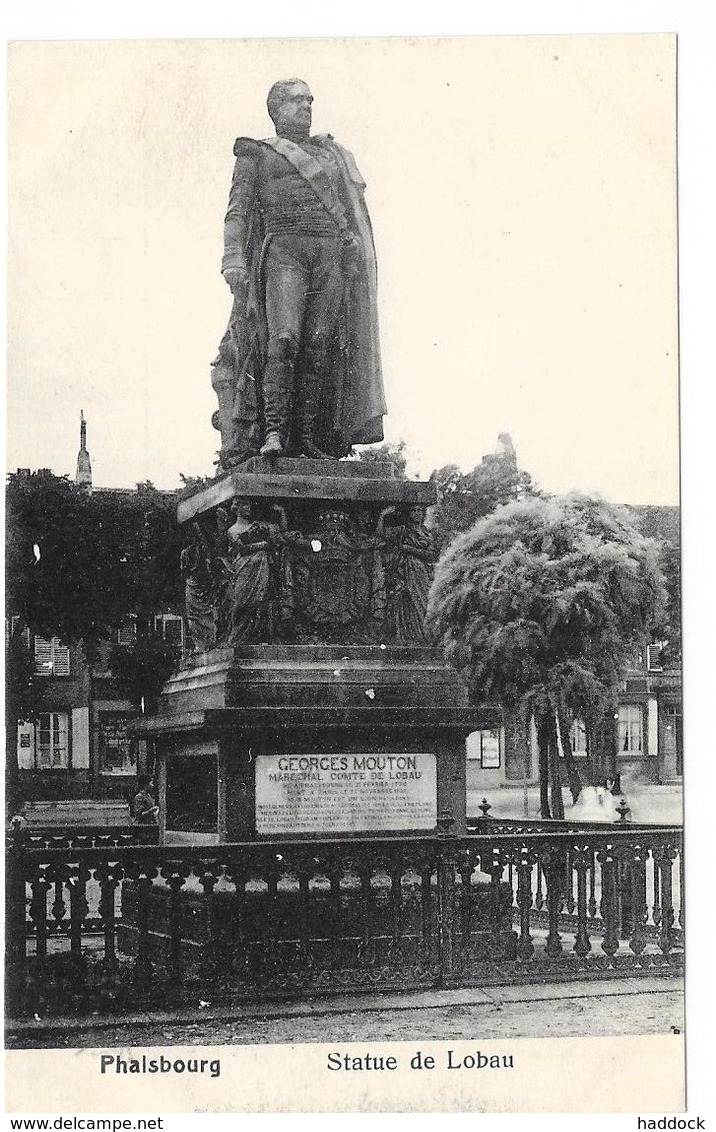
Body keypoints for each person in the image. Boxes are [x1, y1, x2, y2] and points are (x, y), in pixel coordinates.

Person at [211, 79, 386, 466]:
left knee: (321, 346)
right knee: (284, 339)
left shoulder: (333, 155)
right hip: (284, 251)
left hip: (330, 254)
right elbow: (237, 211)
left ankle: (308, 437)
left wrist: (352, 245)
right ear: (275, 109)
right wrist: (233, 258)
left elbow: (351, 211)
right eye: (295, 99)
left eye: (309, 99)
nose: (305, 105)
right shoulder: (256, 155)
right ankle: (274, 431)